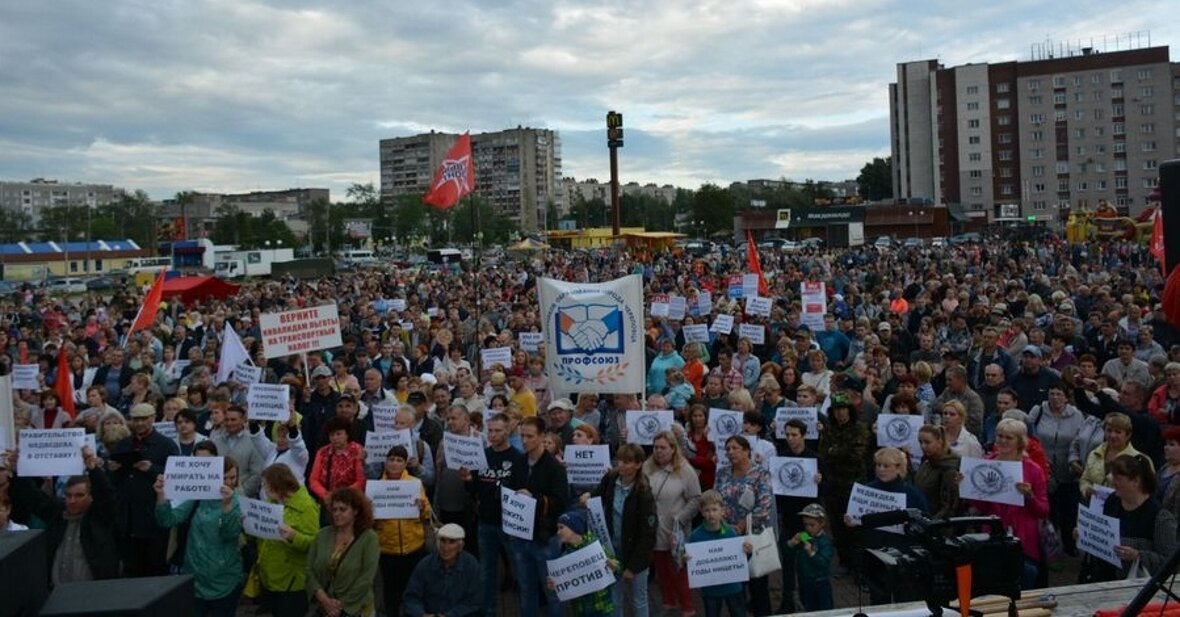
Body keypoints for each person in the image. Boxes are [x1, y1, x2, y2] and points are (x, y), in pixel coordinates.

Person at [8, 446, 119, 584]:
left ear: (91, 497)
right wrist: (18, 470)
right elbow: (33, 497)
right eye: (68, 495)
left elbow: (106, 495)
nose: (72, 501)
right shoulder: (57, 514)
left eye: (79, 496)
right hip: (56, 594)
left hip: (94, 595)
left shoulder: (100, 518)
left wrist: (93, 469)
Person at [153, 456, 243, 617]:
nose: (229, 482)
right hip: (195, 578)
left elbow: (230, 534)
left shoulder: (236, 501)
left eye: (233, 478)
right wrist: (161, 496)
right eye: (225, 478)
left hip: (224, 580)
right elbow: (167, 520)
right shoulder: (198, 496)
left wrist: (227, 506)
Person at [968, 418, 1050, 590]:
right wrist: (969, 487)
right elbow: (982, 507)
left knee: (1022, 582)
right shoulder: (987, 463)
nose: (1003, 441)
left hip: (1023, 538)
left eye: (1009, 437)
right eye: (1000, 436)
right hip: (993, 534)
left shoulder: (1033, 469)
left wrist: (1029, 496)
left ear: (1020, 441)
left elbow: (1043, 510)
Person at [580, 443, 656, 617]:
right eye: (619, 460)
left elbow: (648, 535)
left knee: (639, 600)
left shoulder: (644, 494)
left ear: (638, 464)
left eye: (627, 461)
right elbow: (597, 494)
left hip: (635, 553)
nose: (620, 464)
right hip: (611, 550)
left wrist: (633, 567)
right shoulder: (611, 478)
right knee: (614, 599)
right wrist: (588, 496)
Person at [844, 447, 929, 604]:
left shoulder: (912, 494)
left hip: (902, 556)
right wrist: (852, 523)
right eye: (878, 465)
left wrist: (911, 527)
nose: (881, 469)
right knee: (878, 599)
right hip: (876, 554)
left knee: (904, 599)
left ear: (898, 467)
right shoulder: (866, 490)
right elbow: (859, 523)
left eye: (886, 466)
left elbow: (924, 523)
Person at [463, 413, 527, 617]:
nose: (492, 434)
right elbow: (473, 489)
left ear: (508, 431)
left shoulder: (518, 458)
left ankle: (522, 611)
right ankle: (488, 611)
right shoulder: (481, 455)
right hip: (486, 522)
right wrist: (467, 479)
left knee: (520, 572)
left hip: (511, 525)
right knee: (486, 572)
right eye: (490, 430)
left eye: (498, 430)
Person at [1079, 454, 1177, 582]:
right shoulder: (1112, 501)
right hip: (1104, 581)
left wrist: (1138, 556)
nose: (1112, 482)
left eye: (1118, 478)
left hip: (1136, 589)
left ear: (1135, 481)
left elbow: (1172, 562)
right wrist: (1086, 535)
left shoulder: (1160, 517)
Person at [108, 401, 180, 577]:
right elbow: (112, 482)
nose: (139, 423)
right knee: (131, 568)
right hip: (127, 517)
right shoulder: (123, 445)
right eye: (135, 419)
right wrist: (112, 470)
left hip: (153, 517)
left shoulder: (166, 445)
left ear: (153, 418)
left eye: (144, 419)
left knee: (155, 568)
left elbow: (177, 478)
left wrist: (152, 469)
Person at [511, 416, 570, 617]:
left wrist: (534, 499)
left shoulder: (555, 468)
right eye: (522, 436)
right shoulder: (519, 462)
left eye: (530, 436)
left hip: (545, 537)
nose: (525, 441)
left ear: (542, 436)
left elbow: (561, 503)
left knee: (552, 591)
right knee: (526, 589)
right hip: (521, 534)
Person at [642, 430, 701, 617]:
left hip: (675, 530)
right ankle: (668, 603)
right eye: (655, 447)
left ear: (673, 448)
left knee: (679, 571)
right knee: (660, 569)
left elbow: (696, 499)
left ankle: (688, 608)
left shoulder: (685, 470)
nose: (658, 451)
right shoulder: (647, 467)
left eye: (663, 448)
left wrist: (681, 517)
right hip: (653, 528)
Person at [713, 435, 774, 616]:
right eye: (728, 449)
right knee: (735, 590)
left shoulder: (760, 474)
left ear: (747, 450)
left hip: (752, 537)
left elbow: (765, 506)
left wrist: (741, 525)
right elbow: (715, 499)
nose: (730, 452)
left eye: (735, 448)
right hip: (728, 536)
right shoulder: (722, 473)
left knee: (758, 587)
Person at [375, 445, 434, 617]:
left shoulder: (415, 484)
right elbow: (369, 523)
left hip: (413, 548)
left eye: (399, 460)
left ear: (405, 463)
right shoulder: (377, 486)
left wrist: (422, 507)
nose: (394, 463)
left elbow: (428, 515)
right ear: (386, 462)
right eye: (391, 459)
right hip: (387, 550)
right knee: (390, 593)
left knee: (413, 592)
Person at [256, 464, 320, 617]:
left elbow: (315, 544)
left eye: (266, 484)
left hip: (292, 582)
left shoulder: (306, 506)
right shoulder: (273, 503)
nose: (263, 488)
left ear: (277, 484)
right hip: (272, 579)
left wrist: (294, 537)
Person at [307, 487, 380, 617]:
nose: (337, 513)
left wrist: (340, 606)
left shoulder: (369, 538)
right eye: (334, 510)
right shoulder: (322, 534)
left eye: (343, 509)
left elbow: (366, 578)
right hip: (324, 607)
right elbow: (309, 570)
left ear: (356, 511)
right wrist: (325, 600)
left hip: (358, 608)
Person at [1029, 383, 1084, 554]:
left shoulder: (1077, 415)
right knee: (1049, 511)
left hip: (1068, 471)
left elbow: (1079, 441)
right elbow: (1029, 436)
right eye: (1051, 393)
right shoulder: (1038, 411)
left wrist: (1074, 461)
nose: (1054, 397)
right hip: (1044, 471)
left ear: (1067, 398)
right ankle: (1049, 547)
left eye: (1059, 394)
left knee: (1069, 511)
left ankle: (1069, 544)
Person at [774, 418, 822, 613]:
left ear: (803, 435)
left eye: (794, 434)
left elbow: (823, 492)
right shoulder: (781, 458)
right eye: (787, 434)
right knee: (787, 562)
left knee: (805, 562)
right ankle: (787, 602)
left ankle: (807, 603)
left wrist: (820, 482)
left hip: (807, 524)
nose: (790, 438)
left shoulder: (814, 458)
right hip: (788, 519)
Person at [818, 395, 868, 572]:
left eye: (843, 408)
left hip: (853, 483)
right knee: (837, 524)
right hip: (834, 483)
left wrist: (835, 452)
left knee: (854, 525)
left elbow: (856, 455)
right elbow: (823, 454)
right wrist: (838, 452)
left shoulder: (859, 429)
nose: (840, 413)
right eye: (837, 409)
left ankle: (858, 564)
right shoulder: (829, 430)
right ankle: (843, 560)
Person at [688, 489, 752, 617]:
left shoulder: (731, 533)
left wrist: (748, 552)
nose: (711, 514)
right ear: (701, 512)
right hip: (710, 589)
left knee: (738, 613)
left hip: (733, 587)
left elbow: (742, 561)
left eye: (714, 509)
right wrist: (686, 560)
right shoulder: (695, 536)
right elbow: (692, 564)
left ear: (722, 510)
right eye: (707, 510)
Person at [546, 511, 619, 617]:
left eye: (561, 528)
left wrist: (614, 566)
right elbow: (560, 591)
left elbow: (617, 565)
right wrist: (554, 586)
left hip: (603, 607)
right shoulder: (564, 557)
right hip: (580, 611)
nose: (558, 532)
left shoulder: (596, 546)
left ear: (574, 528)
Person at [403, 523, 482, 617]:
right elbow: (411, 597)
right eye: (443, 541)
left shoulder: (471, 566)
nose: (446, 547)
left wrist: (451, 615)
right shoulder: (425, 565)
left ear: (461, 546)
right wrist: (422, 614)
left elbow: (474, 601)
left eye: (452, 542)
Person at [1081, 413, 1153, 500]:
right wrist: (1086, 489)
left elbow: (1147, 490)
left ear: (1128, 435)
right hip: (1094, 509)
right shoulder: (1094, 453)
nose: (1112, 435)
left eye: (1118, 432)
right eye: (1109, 430)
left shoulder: (1140, 459)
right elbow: (1085, 479)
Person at [308, 415, 367, 514]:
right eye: (332, 435)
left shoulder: (358, 450)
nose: (335, 438)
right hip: (328, 503)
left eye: (338, 434)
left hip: (351, 502)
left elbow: (361, 481)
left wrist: (341, 496)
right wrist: (326, 495)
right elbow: (313, 480)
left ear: (347, 434)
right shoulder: (322, 452)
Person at [786, 503, 834, 612]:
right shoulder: (804, 536)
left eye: (812, 525)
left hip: (820, 583)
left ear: (822, 523)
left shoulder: (825, 542)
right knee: (808, 609)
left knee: (824, 611)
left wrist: (811, 553)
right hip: (805, 581)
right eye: (806, 524)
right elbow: (788, 553)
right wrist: (791, 543)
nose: (808, 528)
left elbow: (823, 563)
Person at [210, 405, 265, 497]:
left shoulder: (254, 441)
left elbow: (257, 474)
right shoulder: (216, 441)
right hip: (218, 495)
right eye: (227, 420)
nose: (229, 423)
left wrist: (239, 494)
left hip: (243, 497)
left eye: (233, 419)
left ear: (243, 420)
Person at [912, 425, 961, 519]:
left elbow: (948, 506)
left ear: (939, 442)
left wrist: (931, 524)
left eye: (927, 442)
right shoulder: (926, 462)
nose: (923, 446)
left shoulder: (949, 469)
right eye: (920, 442)